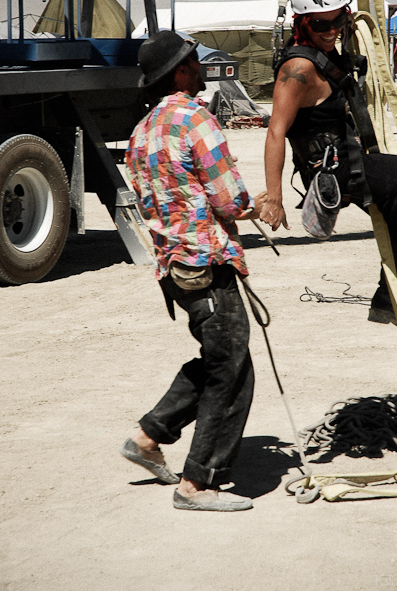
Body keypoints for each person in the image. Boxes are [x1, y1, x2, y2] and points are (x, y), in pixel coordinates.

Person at [260, 0, 397, 327]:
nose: (332, 30)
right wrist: (274, 194)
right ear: (303, 23)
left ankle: (386, 300)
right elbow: (275, 131)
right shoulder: (298, 68)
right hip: (336, 172)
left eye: (338, 20)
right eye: (322, 24)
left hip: (352, 162)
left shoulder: (330, 52)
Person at [121, 30, 267, 512]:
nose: (201, 66)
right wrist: (257, 205)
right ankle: (198, 483)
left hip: (174, 269)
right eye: (193, 60)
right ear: (180, 72)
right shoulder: (194, 119)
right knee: (231, 369)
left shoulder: (142, 131)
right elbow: (229, 197)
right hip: (207, 264)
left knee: (219, 355)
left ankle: (150, 435)